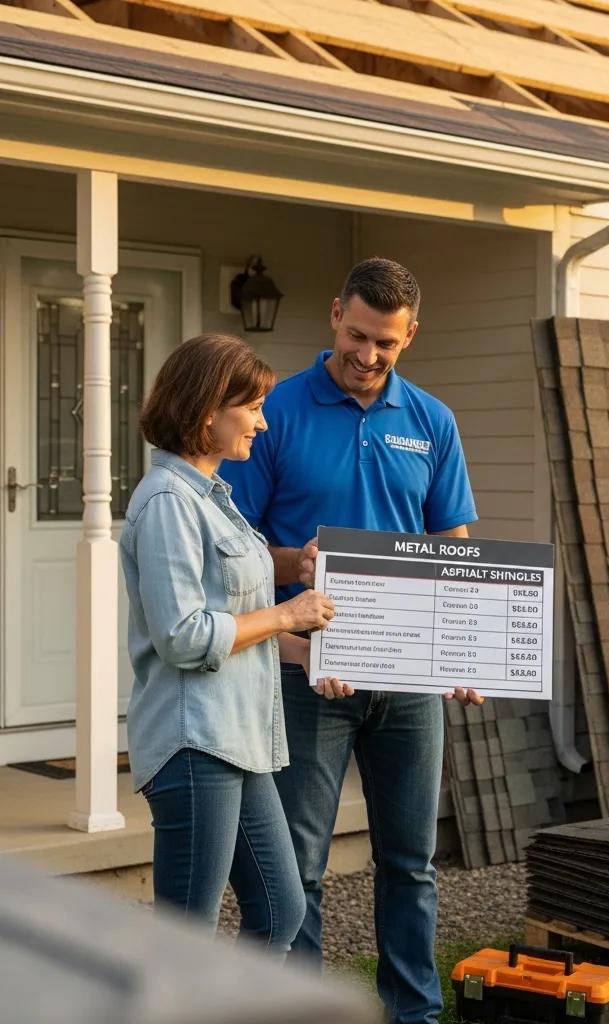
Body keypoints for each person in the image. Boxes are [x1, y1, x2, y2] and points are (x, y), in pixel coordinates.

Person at [220, 258, 482, 1024]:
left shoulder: (431, 420)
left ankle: (414, 1012)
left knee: (411, 862)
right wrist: (292, 563)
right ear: (336, 314)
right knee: (297, 865)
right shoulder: (277, 410)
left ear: (411, 337)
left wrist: (460, 649)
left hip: (405, 683)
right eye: (358, 336)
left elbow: (452, 544)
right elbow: (235, 546)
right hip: (309, 674)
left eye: (387, 345)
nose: (368, 356)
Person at [121, 333, 348, 956]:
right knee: (184, 941)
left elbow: (237, 616)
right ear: (205, 413)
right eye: (250, 407)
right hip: (194, 742)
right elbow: (184, 635)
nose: (263, 421)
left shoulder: (215, 499)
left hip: (238, 739)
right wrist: (285, 615)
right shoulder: (168, 501)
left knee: (280, 910)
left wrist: (309, 655)